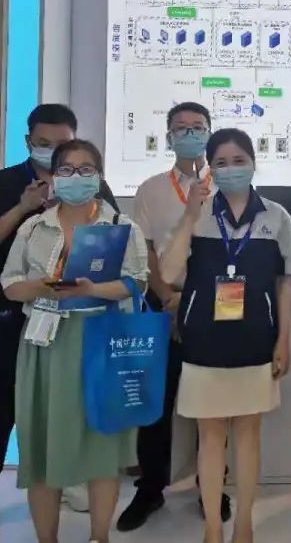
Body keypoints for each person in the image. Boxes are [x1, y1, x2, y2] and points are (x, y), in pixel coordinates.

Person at [0, 104, 117, 543]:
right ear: (29, 142)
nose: (53, 151)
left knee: (69, 404)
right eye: (44, 143)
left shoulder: (91, 184)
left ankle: (67, 477)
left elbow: (115, 241)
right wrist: (23, 208)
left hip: (77, 320)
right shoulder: (4, 183)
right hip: (15, 317)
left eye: (62, 143)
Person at [0, 139, 149, 543]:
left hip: (102, 341)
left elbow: (137, 282)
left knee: (103, 450)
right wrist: (43, 287)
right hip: (45, 344)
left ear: (99, 176)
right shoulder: (34, 227)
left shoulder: (121, 226)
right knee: (42, 449)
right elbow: (10, 284)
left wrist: (94, 289)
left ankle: (99, 536)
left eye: (86, 169)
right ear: (53, 176)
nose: (76, 177)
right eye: (66, 169)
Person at [161, 128, 291, 543]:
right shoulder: (198, 214)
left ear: (253, 162)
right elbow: (168, 273)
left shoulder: (276, 216)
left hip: (255, 343)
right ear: (210, 169)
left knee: (248, 436)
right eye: (221, 163)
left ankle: (243, 525)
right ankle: (212, 528)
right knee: (210, 439)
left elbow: (285, 283)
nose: (231, 169)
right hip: (204, 345)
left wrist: (283, 339)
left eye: (239, 160)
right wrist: (189, 216)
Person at [118, 102, 232, 531]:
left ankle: (211, 487)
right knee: (156, 404)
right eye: (180, 128)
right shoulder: (151, 189)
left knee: (213, 403)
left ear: (209, 133)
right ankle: (150, 489)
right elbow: (144, 250)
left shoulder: (228, 185)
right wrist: (167, 299)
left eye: (197, 127)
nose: (189, 134)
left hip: (215, 307)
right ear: (168, 137)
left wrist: (202, 303)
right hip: (162, 305)